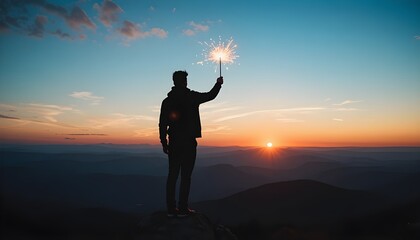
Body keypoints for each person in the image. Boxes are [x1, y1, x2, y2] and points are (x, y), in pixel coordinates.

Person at [159, 70, 223, 217]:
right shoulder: (191, 97)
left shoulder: (167, 101)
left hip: (174, 142)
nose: (186, 81)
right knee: (186, 176)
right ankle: (182, 209)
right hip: (188, 142)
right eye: (185, 79)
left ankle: (171, 209)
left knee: (172, 175)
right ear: (183, 81)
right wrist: (218, 84)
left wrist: (164, 142)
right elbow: (210, 95)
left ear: (174, 81)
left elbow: (162, 123)